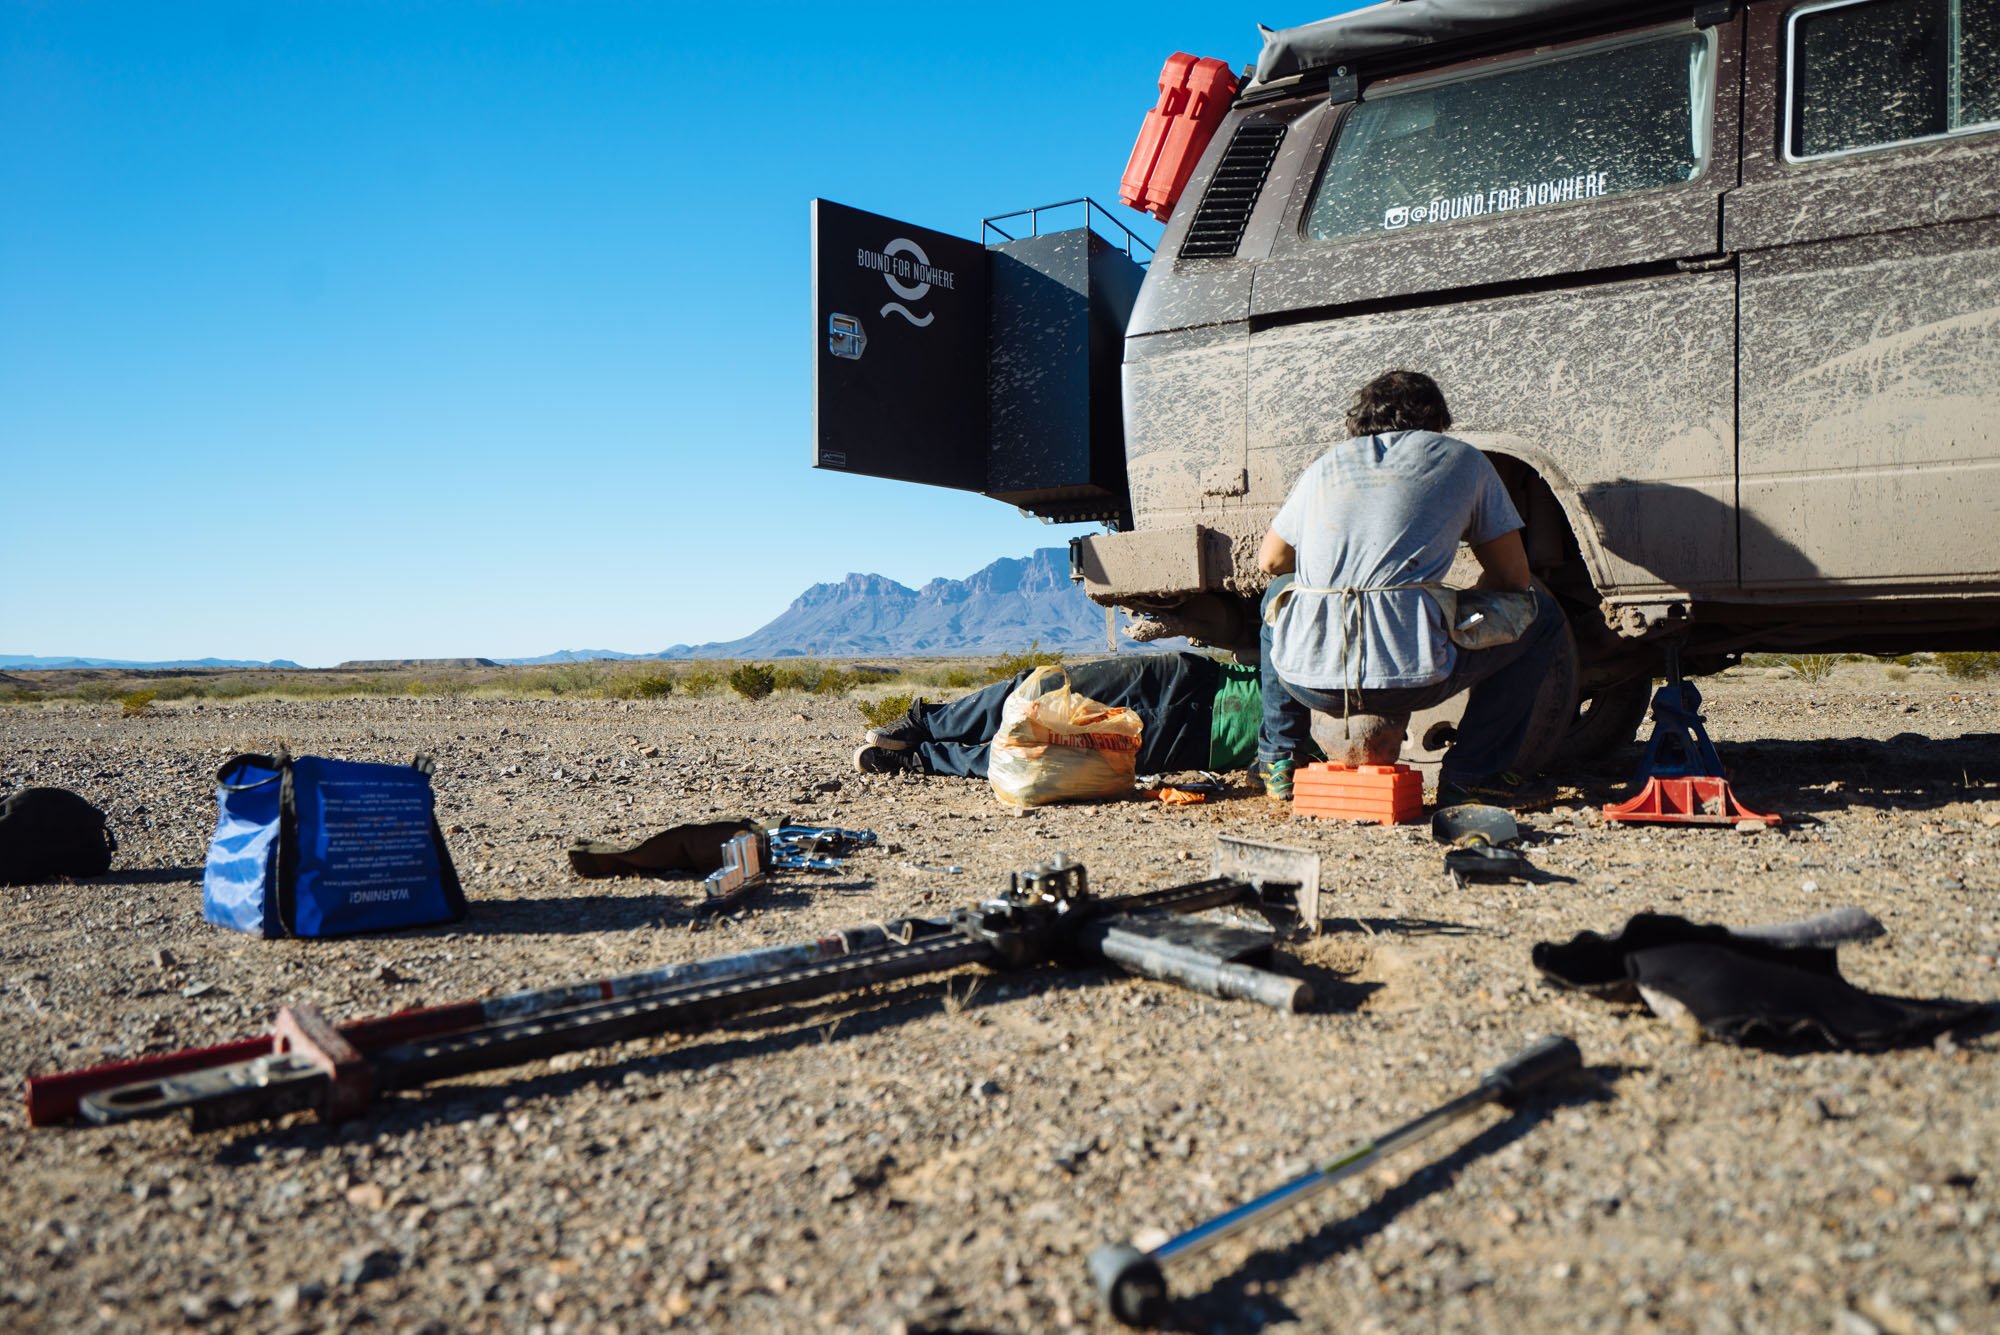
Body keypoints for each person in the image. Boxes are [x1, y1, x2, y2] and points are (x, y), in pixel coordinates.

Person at [1256, 369, 1565, 808]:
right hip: (1414, 677)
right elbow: (1513, 581)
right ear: (1437, 420)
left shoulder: (1327, 463)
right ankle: (1475, 774)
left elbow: (1272, 562)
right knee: (1542, 616)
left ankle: (1280, 759)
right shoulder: (1464, 460)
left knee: (1277, 597)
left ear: (1359, 421)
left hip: (1308, 682)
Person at [853, 651, 1278, 781]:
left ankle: (920, 760)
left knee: (1046, 754)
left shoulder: (1342, 749)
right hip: (1198, 680)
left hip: (1199, 743)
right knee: (1040, 689)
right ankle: (926, 724)